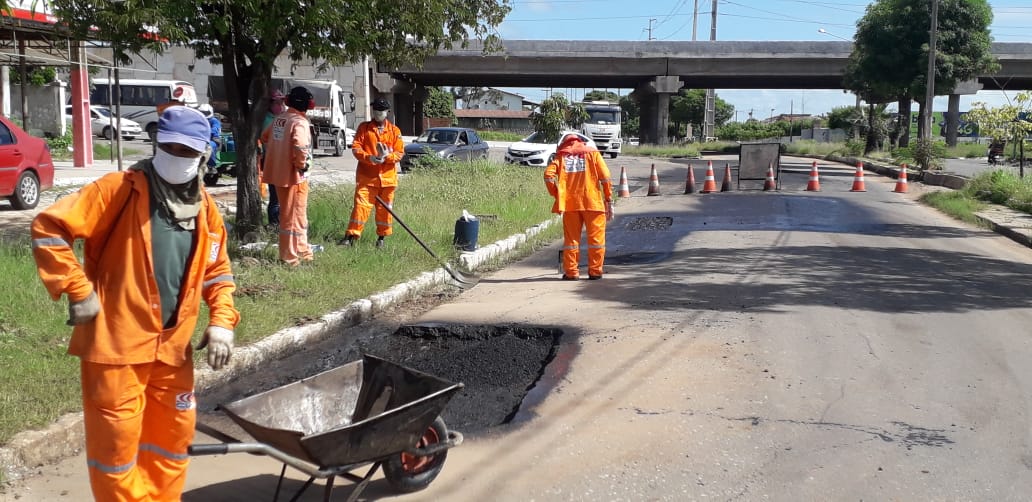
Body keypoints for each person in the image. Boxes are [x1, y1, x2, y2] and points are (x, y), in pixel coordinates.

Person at [30, 105, 239, 501]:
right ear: (157, 144)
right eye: (171, 147)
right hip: (117, 351)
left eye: (188, 151)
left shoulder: (205, 209)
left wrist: (222, 322)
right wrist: (78, 289)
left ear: (204, 155)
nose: (179, 157)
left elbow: (218, 273)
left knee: (170, 446)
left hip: (172, 352)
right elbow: (48, 227)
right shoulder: (118, 190)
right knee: (117, 455)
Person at [544, 132, 614, 280]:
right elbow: (606, 176)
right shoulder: (592, 153)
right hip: (593, 203)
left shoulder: (562, 156)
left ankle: (572, 273)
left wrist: (557, 195)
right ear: (580, 141)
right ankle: (595, 272)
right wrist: (608, 198)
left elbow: (548, 176)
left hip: (570, 205)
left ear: (563, 143)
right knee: (596, 240)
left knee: (571, 241)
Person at [260, 86, 315, 266]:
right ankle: (290, 257)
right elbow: (300, 146)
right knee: (292, 217)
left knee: (296, 215)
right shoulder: (299, 122)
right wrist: (302, 165)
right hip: (293, 176)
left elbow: (265, 137)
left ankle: (303, 251)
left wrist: (279, 151)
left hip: (277, 174)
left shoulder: (280, 119)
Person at [340, 97, 404, 248]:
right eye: (375, 110)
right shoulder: (364, 128)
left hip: (387, 180)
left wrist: (386, 157)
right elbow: (356, 148)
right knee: (360, 207)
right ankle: (351, 237)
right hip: (367, 178)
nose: (378, 113)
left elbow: (399, 153)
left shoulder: (394, 131)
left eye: (381, 111)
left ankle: (381, 239)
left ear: (387, 112)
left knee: (385, 212)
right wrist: (370, 158)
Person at [260, 89, 287, 227]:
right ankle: (274, 224)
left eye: (282, 102)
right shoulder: (267, 120)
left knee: (282, 196)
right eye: (278, 103)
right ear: (270, 104)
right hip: (272, 161)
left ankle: (279, 223)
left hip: (281, 161)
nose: (281, 106)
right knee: (275, 196)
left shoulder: (280, 118)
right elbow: (268, 140)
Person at [197, 103, 222, 171]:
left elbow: (215, 129)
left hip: (213, 140)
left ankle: (211, 166)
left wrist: (203, 132)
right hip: (199, 139)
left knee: (209, 146)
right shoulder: (198, 120)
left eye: (206, 112)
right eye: (202, 112)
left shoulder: (214, 121)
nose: (204, 114)